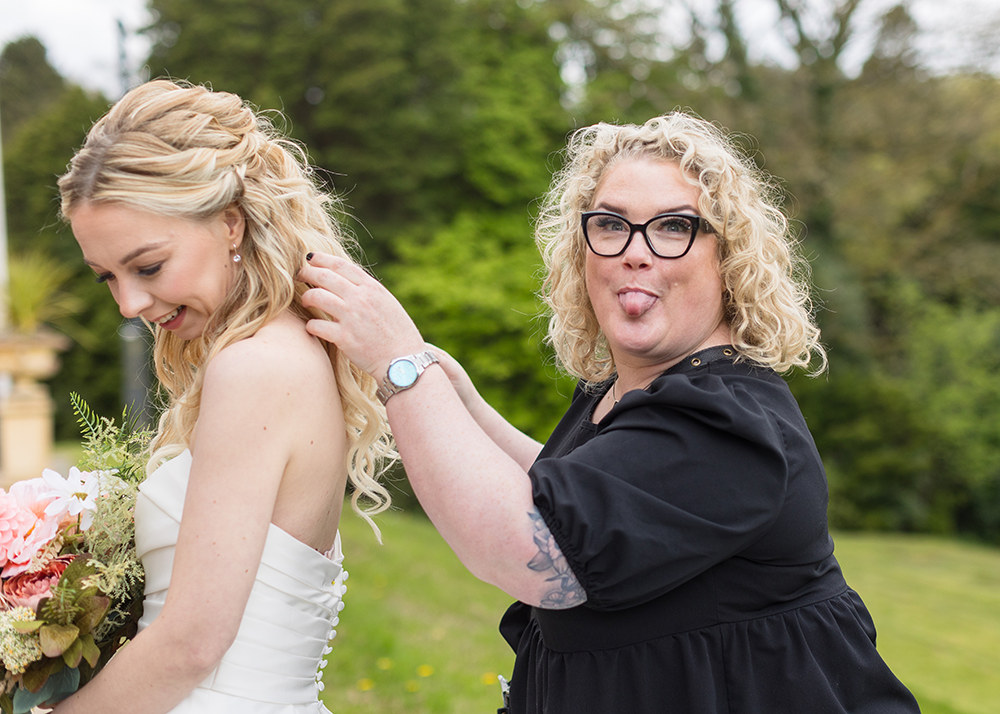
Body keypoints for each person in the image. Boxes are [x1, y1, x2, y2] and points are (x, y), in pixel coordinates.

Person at [298, 112, 921, 712]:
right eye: (611, 224)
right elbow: (580, 497)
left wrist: (401, 365)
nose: (635, 252)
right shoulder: (623, 392)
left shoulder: (726, 421)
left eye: (673, 227)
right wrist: (460, 399)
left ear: (727, 259)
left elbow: (533, 551)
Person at [52, 79, 394, 713]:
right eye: (107, 277)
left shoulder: (253, 368)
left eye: (147, 266)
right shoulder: (289, 349)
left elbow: (193, 644)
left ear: (230, 223)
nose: (128, 303)